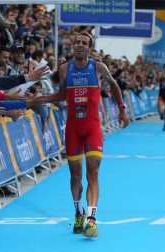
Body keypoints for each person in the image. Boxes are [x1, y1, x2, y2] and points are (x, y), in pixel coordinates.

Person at [46, 32, 130, 238]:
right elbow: (60, 95)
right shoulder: (65, 69)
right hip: (73, 129)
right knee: (75, 176)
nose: (80, 45)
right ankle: (78, 213)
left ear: (90, 49)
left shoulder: (98, 67)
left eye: (84, 43)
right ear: (73, 47)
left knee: (93, 173)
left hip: (92, 128)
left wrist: (121, 108)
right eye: (77, 43)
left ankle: (92, 219)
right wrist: (35, 100)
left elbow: (114, 84)